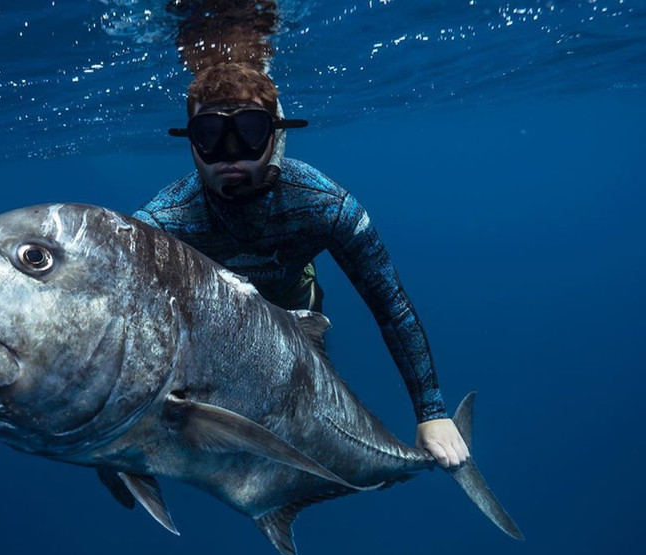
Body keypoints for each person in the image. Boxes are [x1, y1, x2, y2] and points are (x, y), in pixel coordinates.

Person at [133, 63, 469, 468]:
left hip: (299, 322)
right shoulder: (163, 223)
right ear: (190, 142)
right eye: (210, 134)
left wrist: (431, 412)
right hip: (212, 341)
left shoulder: (323, 204)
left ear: (274, 135)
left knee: (302, 421)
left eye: (250, 130)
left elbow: (390, 306)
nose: (231, 150)